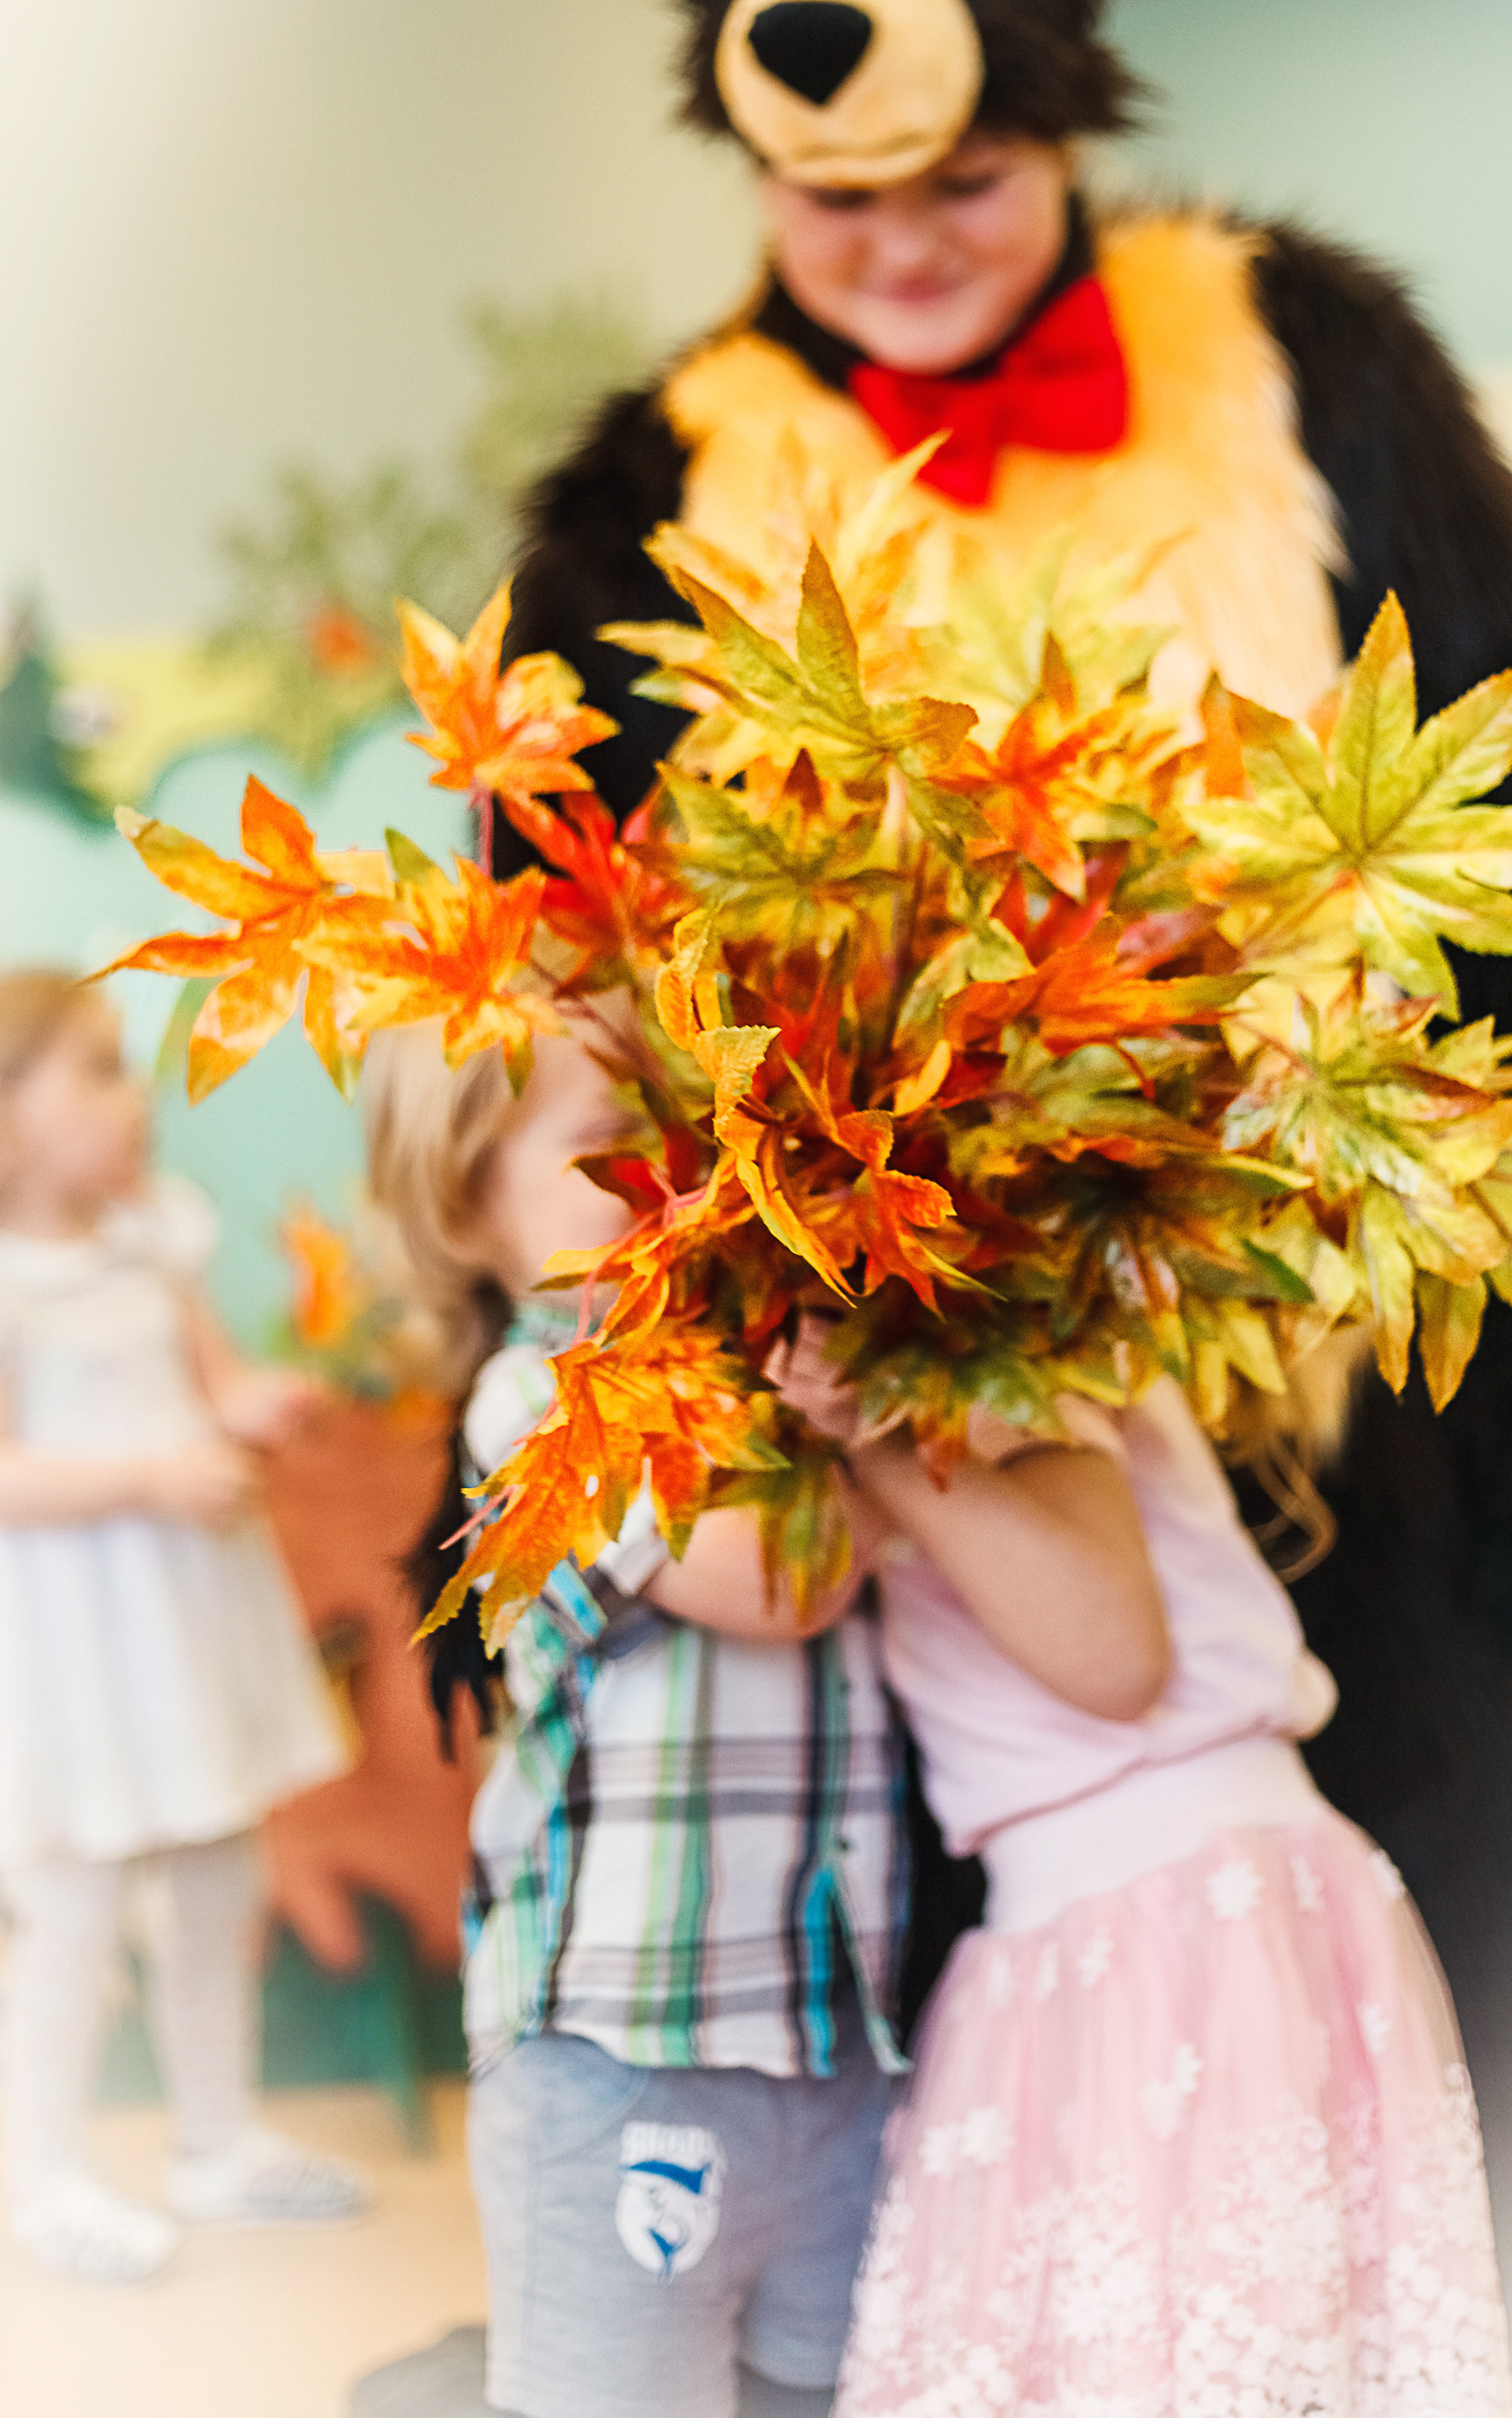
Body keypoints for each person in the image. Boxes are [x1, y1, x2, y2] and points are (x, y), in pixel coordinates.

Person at [493, 0, 1512, 2411]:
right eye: (847, 205)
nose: (912, 245)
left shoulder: (1312, 359)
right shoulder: (643, 493)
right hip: (926, 1399)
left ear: (1068, 133)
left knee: (1435, 1953)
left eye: (974, 179)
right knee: (1012, 2068)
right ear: (759, 172)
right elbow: (563, 983)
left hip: (1359, 1351)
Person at [773, 1318, 1512, 2411]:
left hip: (1168, 1927)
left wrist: (876, 1444)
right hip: (1111, 1919)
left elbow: (1113, 1655)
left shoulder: (1015, 1339)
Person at [353, 1018, 905, 2418]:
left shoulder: (747, 1374)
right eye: (604, 1153)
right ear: (464, 1199)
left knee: (816, 2390)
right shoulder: (535, 1403)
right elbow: (782, 1582)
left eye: (678, 1140)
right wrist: (860, 1432)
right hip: (624, 2045)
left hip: (823, 2025)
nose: (663, 1182)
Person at [0, 970, 365, 2283]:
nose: (134, 1096)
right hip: (73, 1648)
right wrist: (152, 1478)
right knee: (76, 1912)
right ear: (6, 1117)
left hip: (187, 1628)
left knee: (223, 1881)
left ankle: (218, 2143)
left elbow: (214, 1379)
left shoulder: (154, 1240)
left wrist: (259, 1405)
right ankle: (44, 2175)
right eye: (95, 1069)